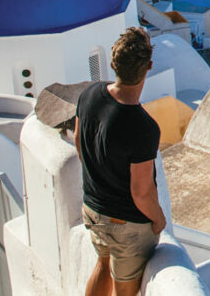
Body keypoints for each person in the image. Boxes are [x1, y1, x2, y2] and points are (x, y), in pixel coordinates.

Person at [74, 27, 165, 296]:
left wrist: (99, 172)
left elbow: (79, 139)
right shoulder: (143, 126)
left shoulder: (89, 95)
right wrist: (158, 219)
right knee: (125, 291)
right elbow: (142, 191)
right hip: (126, 224)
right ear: (148, 66)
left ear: (114, 63)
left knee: (102, 267)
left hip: (92, 207)